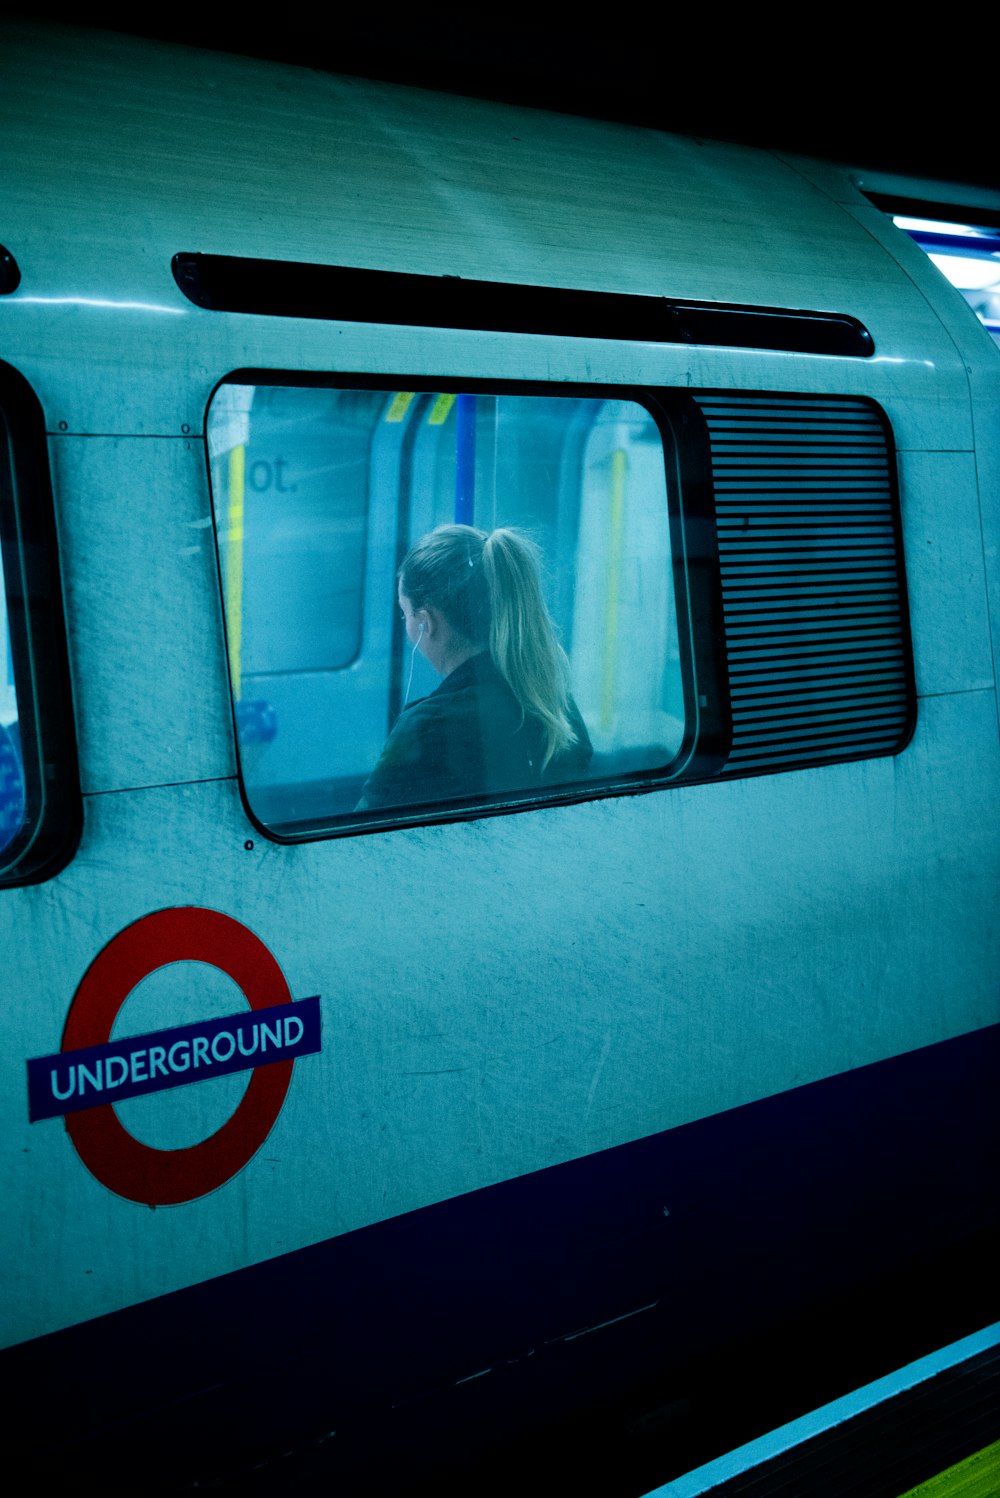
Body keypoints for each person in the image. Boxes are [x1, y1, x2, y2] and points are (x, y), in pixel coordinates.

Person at [357, 525, 592, 811]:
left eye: (405, 613)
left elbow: (367, 827)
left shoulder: (425, 728)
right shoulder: (550, 699)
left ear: (425, 623)